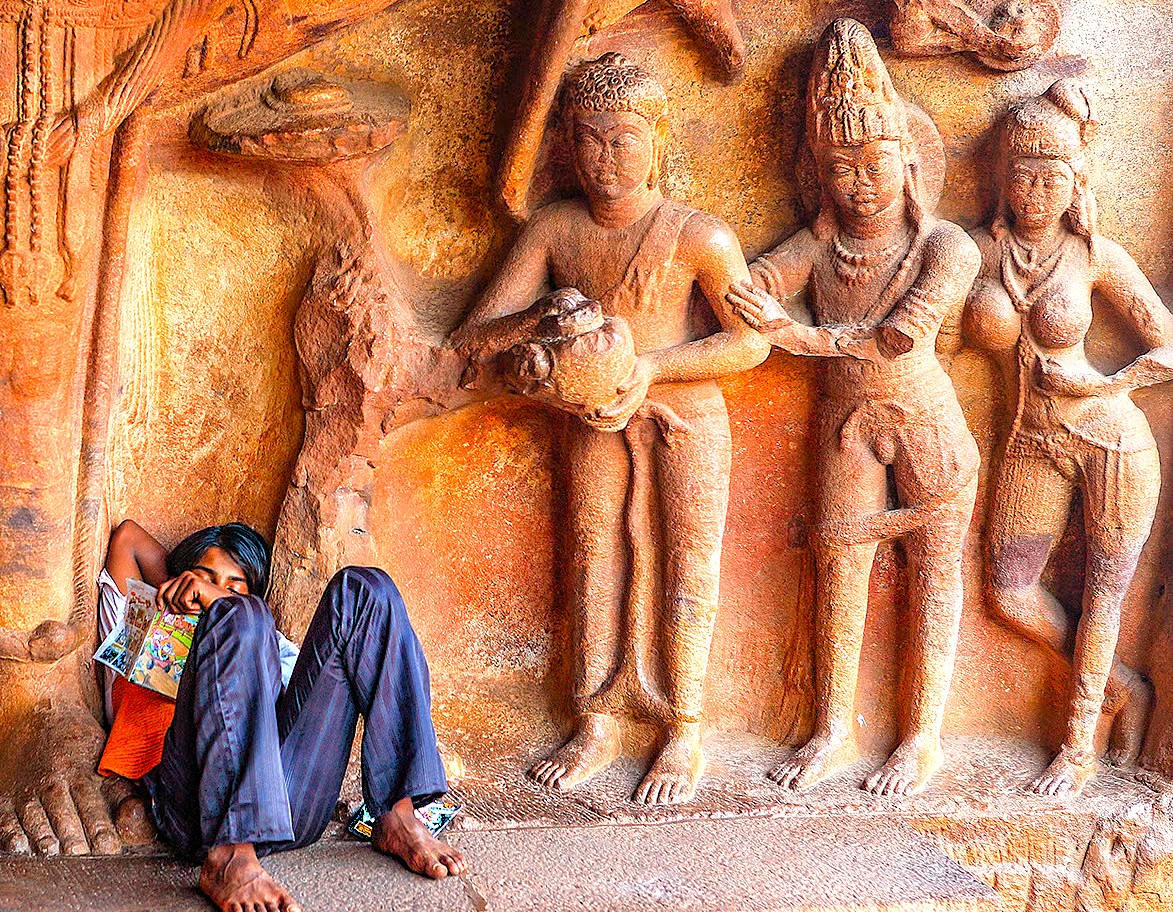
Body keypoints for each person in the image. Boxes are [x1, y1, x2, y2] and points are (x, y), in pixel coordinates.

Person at [452, 53, 770, 805]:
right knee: (593, 557)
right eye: (588, 139)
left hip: (683, 416)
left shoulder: (699, 236)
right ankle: (597, 717)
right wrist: (544, 316)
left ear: (659, 142)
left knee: (688, 562)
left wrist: (651, 370)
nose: (605, 159)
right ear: (567, 143)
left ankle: (681, 726)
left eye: (623, 139)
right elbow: (475, 336)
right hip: (593, 419)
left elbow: (751, 341)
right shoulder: (557, 229)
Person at [726, 18, 980, 796]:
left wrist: (795, 336)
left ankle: (921, 738)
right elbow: (757, 280)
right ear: (819, 176)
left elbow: (896, 340)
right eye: (840, 169)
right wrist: (738, 286)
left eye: (874, 163)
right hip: (843, 429)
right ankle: (832, 727)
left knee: (932, 573)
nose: (860, 183)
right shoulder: (820, 242)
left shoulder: (947, 249)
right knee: (840, 567)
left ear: (909, 162)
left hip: (924, 421)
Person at [965, 79, 1173, 796]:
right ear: (1001, 179)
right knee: (1006, 592)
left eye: (1050, 175)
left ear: (1073, 182)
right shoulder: (976, 255)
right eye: (1020, 173)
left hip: (1110, 443)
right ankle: (1119, 686)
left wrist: (1102, 386)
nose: (1033, 189)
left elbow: (1165, 344)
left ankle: (1079, 743)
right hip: (1029, 442)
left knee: (1104, 594)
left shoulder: (1095, 258)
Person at [99, 519, 464, 912]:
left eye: (234, 585)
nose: (216, 590)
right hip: (193, 812)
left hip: (288, 805)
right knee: (239, 618)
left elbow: (288, 692)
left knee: (366, 588)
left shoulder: (265, 638)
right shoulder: (141, 620)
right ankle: (230, 859)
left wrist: (218, 597)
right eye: (205, 579)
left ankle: (397, 814)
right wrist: (183, 587)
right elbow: (128, 539)